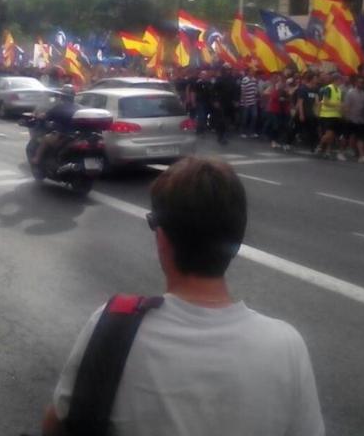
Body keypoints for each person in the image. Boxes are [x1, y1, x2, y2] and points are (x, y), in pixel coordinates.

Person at [42, 157, 324, 436]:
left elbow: (58, 424)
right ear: (237, 243)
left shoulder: (112, 325)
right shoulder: (287, 346)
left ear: (162, 238)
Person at [32, 86, 81, 166]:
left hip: (63, 136)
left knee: (45, 139)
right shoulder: (78, 107)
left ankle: (37, 159)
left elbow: (44, 116)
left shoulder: (59, 107)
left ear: (62, 96)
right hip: (76, 136)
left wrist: (36, 116)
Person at [342, 76, 364, 164]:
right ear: (355, 83)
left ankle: (362, 156)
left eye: (362, 82)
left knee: (360, 138)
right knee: (346, 137)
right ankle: (341, 152)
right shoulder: (350, 93)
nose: (361, 84)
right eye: (359, 82)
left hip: (360, 120)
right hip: (350, 119)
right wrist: (346, 117)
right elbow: (346, 106)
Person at [237, 69, 260, 138]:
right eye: (251, 71)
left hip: (253, 101)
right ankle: (242, 132)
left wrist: (256, 97)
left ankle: (252, 132)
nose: (252, 72)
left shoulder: (254, 80)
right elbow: (243, 91)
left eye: (253, 72)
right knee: (245, 118)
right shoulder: (245, 79)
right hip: (246, 102)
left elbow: (255, 89)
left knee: (254, 116)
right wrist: (244, 101)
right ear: (248, 72)